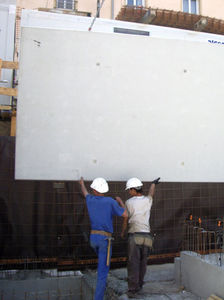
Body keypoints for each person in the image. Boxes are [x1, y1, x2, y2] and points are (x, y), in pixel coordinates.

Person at [79, 177, 128, 300]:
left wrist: (81, 183)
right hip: (105, 239)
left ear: (95, 190)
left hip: (93, 238)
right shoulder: (110, 202)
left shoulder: (90, 200)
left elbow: (85, 193)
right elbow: (125, 214)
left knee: (101, 261)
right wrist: (120, 202)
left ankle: (101, 289)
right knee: (102, 273)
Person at [116, 177, 160, 298]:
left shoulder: (129, 202)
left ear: (134, 189)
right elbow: (151, 193)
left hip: (135, 235)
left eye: (130, 190)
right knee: (143, 262)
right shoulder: (147, 200)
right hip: (147, 236)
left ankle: (132, 289)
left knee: (133, 263)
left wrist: (122, 232)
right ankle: (139, 284)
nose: (129, 192)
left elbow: (125, 217)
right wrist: (153, 184)